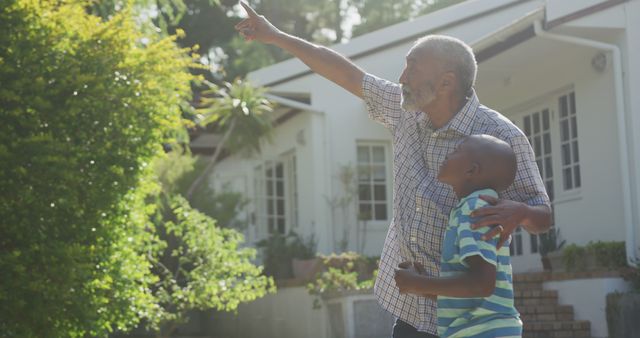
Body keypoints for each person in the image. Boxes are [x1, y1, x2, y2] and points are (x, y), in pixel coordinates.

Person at [234, 2, 552, 337]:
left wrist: (521, 212)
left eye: (412, 69)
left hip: (471, 323)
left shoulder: (500, 137)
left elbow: (542, 216)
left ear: (446, 83)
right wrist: (276, 36)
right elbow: (344, 72)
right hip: (413, 311)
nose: (401, 78)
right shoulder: (405, 112)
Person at [394, 134, 522, 338]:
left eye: (456, 151)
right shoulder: (469, 208)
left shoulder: (475, 209)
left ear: (471, 170)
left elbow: (482, 284)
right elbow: (472, 292)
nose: (448, 154)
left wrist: (417, 283)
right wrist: (422, 285)